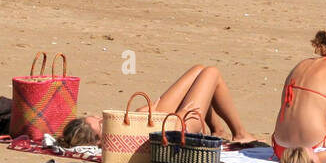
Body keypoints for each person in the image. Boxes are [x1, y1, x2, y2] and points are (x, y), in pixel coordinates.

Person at [59, 65, 260, 147]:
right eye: (101, 124)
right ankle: (241, 134)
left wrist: (148, 112)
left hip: (169, 121)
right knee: (211, 73)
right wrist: (178, 114)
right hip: (180, 128)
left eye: (98, 116)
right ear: (98, 141)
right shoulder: (117, 145)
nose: (104, 118)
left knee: (199, 69)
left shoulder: (115, 132)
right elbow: (159, 133)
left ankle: (217, 130)